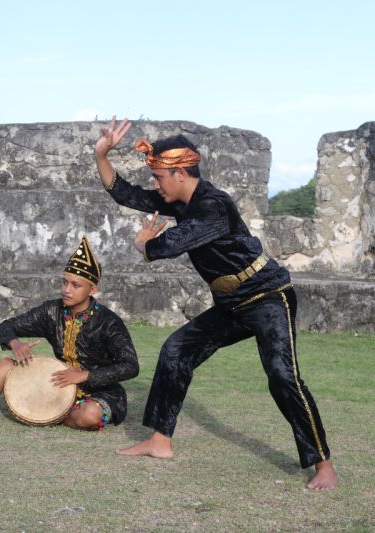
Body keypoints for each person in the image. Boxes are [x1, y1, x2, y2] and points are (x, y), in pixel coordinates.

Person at [93, 116, 337, 490]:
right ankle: (160, 441)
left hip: (268, 296)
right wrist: (101, 155)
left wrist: (144, 244)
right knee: (177, 350)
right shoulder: (179, 201)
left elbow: (170, 245)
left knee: (281, 375)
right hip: (231, 302)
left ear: (179, 174)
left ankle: (322, 463)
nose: (156, 185)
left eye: (159, 178)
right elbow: (127, 194)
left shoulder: (213, 205)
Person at [0, 236, 139, 431]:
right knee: (6, 364)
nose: (66, 289)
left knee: (90, 416)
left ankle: (50, 414)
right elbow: (6, 326)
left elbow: (131, 365)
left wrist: (85, 376)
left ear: (92, 290)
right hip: (59, 383)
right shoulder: (52, 311)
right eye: (64, 282)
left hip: (99, 393)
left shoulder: (109, 322)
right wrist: (15, 343)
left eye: (75, 285)